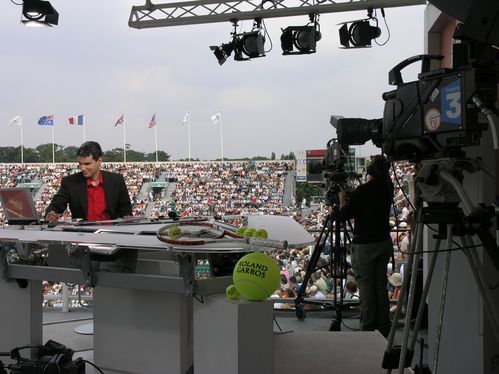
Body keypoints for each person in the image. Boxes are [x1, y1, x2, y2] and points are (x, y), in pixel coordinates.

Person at [338, 155, 393, 337]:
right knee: (380, 286)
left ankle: (368, 328)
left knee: (367, 287)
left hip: (365, 246)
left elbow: (345, 214)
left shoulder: (363, 190)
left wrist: (342, 199)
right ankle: (384, 326)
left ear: (369, 172)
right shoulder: (388, 187)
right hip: (384, 242)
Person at [45, 141, 132, 222]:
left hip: (111, 234)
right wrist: (52, 214)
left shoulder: (117, 180)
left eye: (87, 164)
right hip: (82, 234)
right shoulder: (70, 182)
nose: (82, 168)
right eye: (80, 164)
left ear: (99, 161)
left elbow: (126, 211)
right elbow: (57, 205)